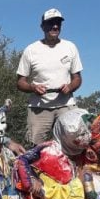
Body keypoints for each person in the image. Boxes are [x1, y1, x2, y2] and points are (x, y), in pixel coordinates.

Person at [17, 8, 83, 145]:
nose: (55, 26)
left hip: (66, 104)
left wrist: (70, 87)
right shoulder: (31, 50)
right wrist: (33, 88)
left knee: (76, 142)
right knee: (35, 147)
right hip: (39, 107)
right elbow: (20, 82)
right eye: (50, 23)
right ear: (42, 27)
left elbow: (77, 78)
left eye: (58, 23)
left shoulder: (70, 47)